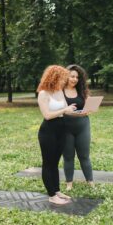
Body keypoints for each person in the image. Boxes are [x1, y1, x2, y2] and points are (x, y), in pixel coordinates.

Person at [37, 65, 77, 205]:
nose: (64, 80)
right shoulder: (43, 94)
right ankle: (51, 195)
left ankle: (57, 191)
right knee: (48, 163)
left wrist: (81, 112)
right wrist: (65, 109)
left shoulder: (59, 91)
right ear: (54, 77)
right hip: (48, 131)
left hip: (61, 130)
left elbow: (66, 110)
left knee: (55, 163)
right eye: (62, 78)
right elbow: (47, 115)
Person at [63, 64, 94, 190]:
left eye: (76, 77)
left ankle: (90, 182)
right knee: (68, 156)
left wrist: (89, 109)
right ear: (66, 76)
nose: (74, 79)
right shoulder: (59, 91)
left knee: (84, 155)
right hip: (65, 128)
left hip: (82, 126)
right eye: (72, 76)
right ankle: (69, 183)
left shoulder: (82, 90)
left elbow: (90, 106)